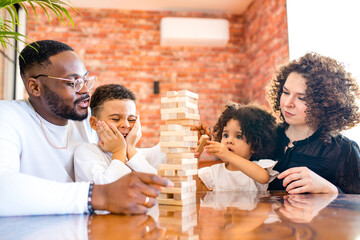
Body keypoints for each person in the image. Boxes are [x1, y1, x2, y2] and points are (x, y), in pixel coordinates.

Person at [0, 40, 172, 216]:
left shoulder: (83, 119)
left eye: (85, 80)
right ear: (35, 87)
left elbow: (119, 154)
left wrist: (177, 143)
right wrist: (99, 196)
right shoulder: (8, 116)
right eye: (73, 82)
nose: (85, 91)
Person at [267, 52, 360, 194]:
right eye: (286, 92)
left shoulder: (344, 150)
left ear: (325, 104)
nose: (287, 103)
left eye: (301, 98)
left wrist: (330, 190)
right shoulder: (263, 137)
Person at [74, 84, 158, 184]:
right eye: (115, 119)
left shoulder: (134, 155)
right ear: (94, 123)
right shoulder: (86, 152)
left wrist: (130, 148)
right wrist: (119, 151)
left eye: (131, 119)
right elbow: (107, 189)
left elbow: (156, 185)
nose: (126, 125)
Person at [198, 103, 278, 191]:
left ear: (255, 145)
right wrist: (195, 157)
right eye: (225, 135)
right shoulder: (214, 173)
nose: (229, 140)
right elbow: (195, 188)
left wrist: (228, 155)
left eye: (239, 136)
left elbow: (264, 178)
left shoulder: (258, 168)